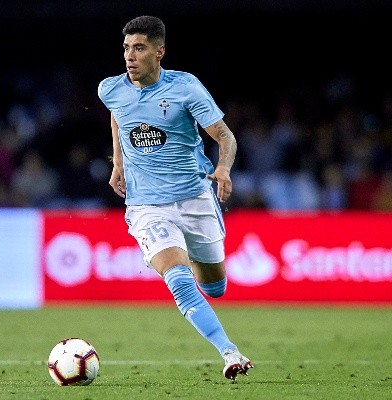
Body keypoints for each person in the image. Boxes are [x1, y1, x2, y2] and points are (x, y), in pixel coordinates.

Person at [97, 15, 254, 381]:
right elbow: (117, 118)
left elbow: (225, 136)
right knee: (180, 281)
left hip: (196, 198)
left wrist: (224, 170)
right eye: (125, 48)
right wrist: (118, 163)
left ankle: (206, 284)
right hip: (147, 206)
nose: (129, 57)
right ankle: (229, 352)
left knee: (215, 287)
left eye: (139, 49)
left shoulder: (186, 89)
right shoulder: (110, 89)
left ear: (159, 51)